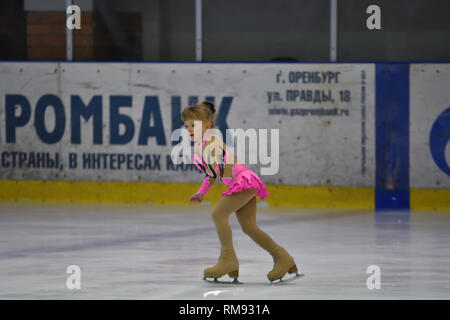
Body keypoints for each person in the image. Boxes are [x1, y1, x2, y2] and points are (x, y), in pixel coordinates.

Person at [181, 100, 298, 283]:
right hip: (244, 182)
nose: (188, 129)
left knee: (218, 214)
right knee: (249, 227)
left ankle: (227, 259)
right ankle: (283, 258)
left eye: (193, 125)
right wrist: (201, 193)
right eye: (186, 125)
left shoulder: (211, 142)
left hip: (242, 181)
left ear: (207, 125)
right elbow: (212, 174)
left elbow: (215, 171)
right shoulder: (203, 146)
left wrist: (210, 169)